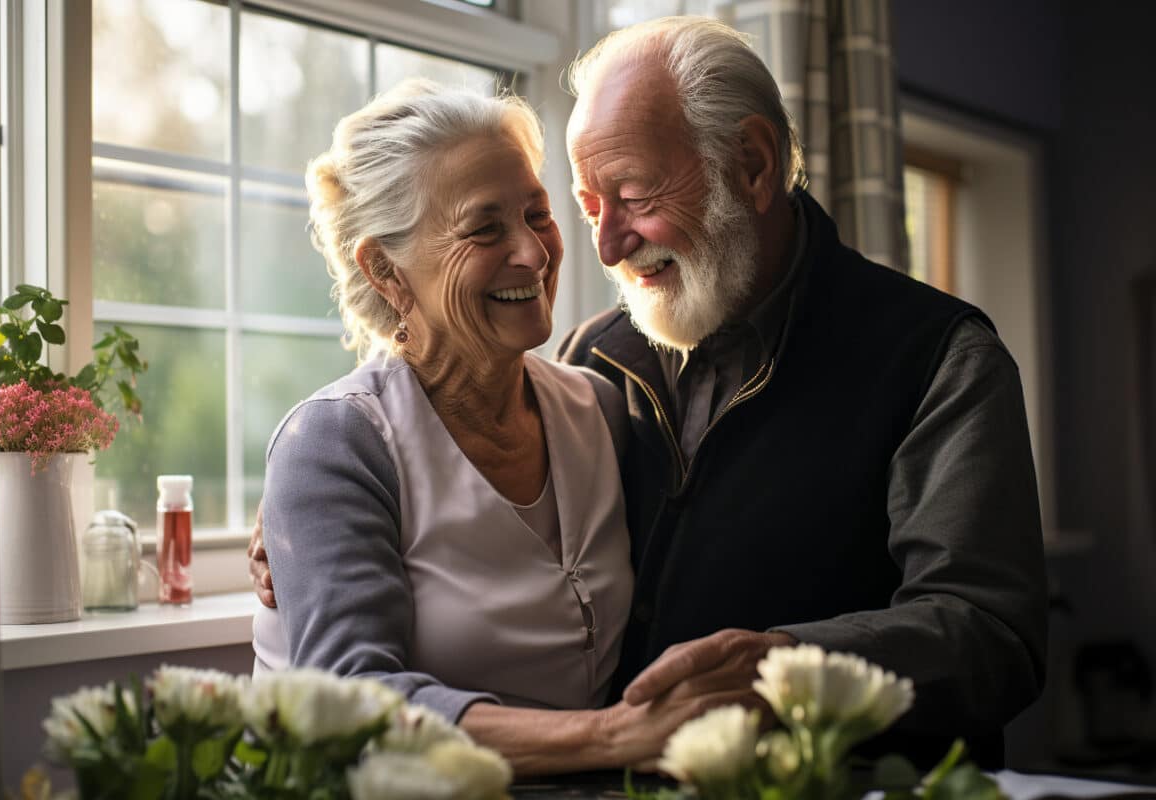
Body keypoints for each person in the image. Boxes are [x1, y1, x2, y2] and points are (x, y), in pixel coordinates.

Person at [252, 16, 1047, 771]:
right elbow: (425, 465)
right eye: (588, 205)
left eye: (631, 196)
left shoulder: (937, 357)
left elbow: (993, 634)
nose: (601, 244)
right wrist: (311, 505)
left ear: (754, 166)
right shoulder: (603, 357)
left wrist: (789, 670)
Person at [253, 79, 719, 776]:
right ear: (385, 268)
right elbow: (346, 703)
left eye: (537, 214)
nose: (533, 253)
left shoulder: (601, 411)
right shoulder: (337, 442)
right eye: (484, 227)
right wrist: (611, 738)